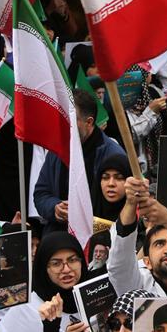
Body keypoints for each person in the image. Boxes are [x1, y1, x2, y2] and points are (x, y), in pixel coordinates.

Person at [34, 89, 124, 232]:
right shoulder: (56, 150)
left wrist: (84, 216)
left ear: (89, 122)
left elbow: (121, 204)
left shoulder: (112, 155)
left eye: (69, 120)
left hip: (97, 237)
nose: (63, 126)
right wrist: (55, 208)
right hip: (58, 234)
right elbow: (41, 194)